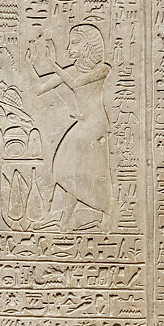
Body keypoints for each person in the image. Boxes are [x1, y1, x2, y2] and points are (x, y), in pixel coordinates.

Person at [30, 22, 113, 230]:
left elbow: (76, 83)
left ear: (87, 46)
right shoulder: (73, 70)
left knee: (82, 170)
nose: (69, 48)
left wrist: (53, 64)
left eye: (74, 43)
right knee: (66, 168)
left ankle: (103, 216)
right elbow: (40, 88)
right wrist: (30, 64)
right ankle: (62, 219)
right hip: (83, 125)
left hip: (94, 126)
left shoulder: (103, 69)